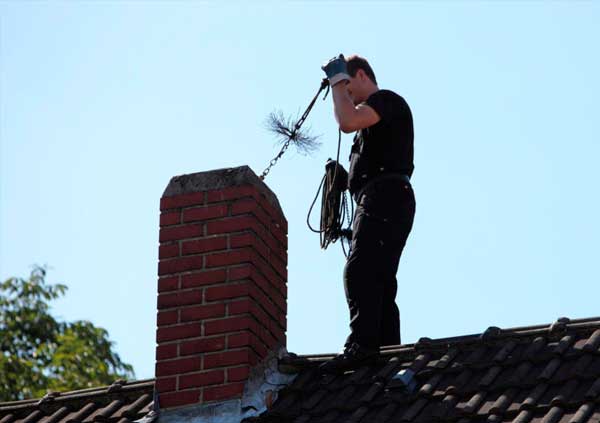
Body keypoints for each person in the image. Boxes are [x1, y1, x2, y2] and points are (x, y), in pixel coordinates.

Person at [319, 54, 416, 373]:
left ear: (360, 75)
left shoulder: (386, 101)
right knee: (380, 279)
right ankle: (387, 351)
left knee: (360, 269)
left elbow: (346, 122)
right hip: (384, 197)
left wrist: (336, 82)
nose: (345, 97)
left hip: (385, 196)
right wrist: (345, 180)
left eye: (348, 87)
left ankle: (362, 345)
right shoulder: (372, 126)